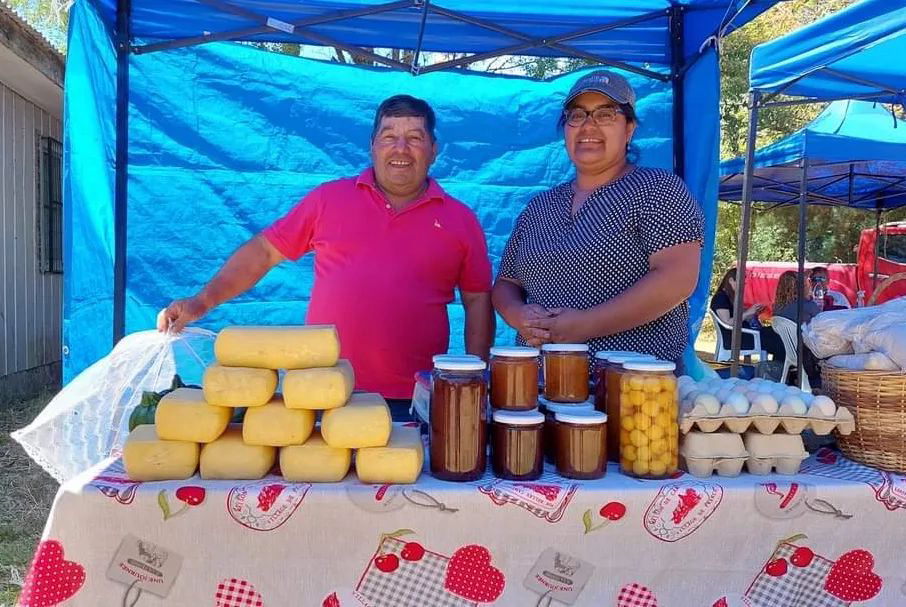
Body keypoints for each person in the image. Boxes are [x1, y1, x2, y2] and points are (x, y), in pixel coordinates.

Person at [158, 95, 494, 412]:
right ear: (372, 146)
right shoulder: (328, 200)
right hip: (321, 391)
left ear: (434, 150)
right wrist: (202, 301)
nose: (401, 148)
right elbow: (263, 252)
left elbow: (478, 301)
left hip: (416, 400)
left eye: (415, 138)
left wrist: (474, 383)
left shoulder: (460, 220)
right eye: (389, 136)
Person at [492, 70, 704, 370]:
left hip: (634, 393)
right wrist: (519, 315)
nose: (588, 126)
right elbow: (505, 284)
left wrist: (584, 326)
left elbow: (677, 278)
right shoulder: (540, 207)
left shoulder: (658, 190)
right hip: (537, 390)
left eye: (605, 115)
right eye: (577, 115)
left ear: (629, 128)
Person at [709, 267, 785, 362]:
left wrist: (754, 312)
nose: (743, 287)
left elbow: (739, 318)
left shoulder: (730, 297)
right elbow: (728, 322)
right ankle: (780, 369)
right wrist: (748, 312)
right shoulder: (721, 298)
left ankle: (780, 368)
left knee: (778, 332)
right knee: (777, 340)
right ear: (731, 280)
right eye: (741, 283)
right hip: (736, 339)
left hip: (743, 334)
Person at [772, 270, 821, 385]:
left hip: (789, 353)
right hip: (808, 354)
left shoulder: (777, 307)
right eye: (807, 284)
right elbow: (822, 322)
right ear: (801, 287)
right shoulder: (807, 306)